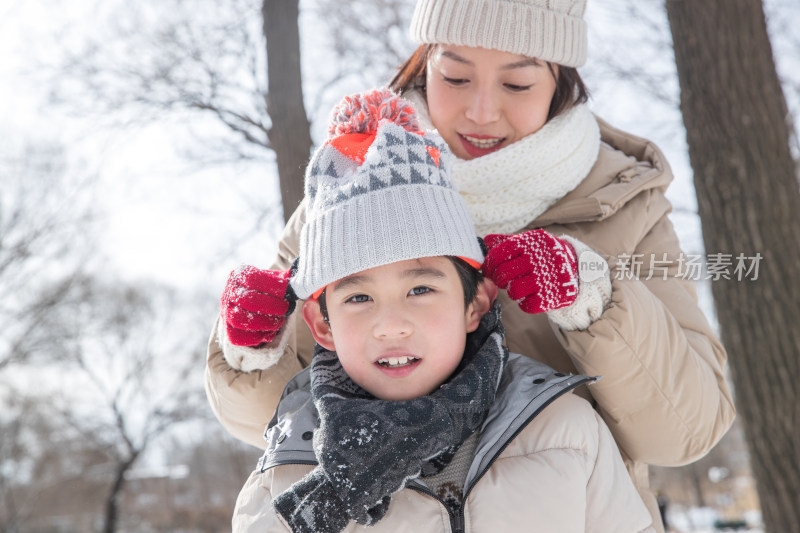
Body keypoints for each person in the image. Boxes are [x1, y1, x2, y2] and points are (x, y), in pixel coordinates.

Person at [207, 1, 735, 530]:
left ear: (561, 82)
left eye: (518, 84)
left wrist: (594, 298)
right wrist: (252, 349)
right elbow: (275, 423)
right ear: (424, 63)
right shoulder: (344, 190)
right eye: (456, 77)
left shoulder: (624, 204)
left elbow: (683, 431)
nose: (481, 111)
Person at [231, 88, 655, 532]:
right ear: (322, 324)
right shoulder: (283, 476)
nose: (391, 325)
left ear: (475, 304)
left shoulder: (563, 429)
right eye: (358, 297)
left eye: (420, 289)